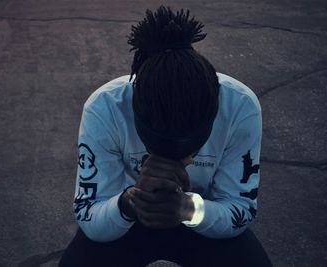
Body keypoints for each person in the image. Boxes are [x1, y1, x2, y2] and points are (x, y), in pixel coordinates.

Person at [59, 5, 272, 267]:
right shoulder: (105, 107)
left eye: (190, 145)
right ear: (135, 107)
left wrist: (188, 208)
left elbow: (239, 210)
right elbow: (89, 212)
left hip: (201, 216)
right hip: (130, 217)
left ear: (214, 108)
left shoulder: (239, 105)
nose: (181, 159)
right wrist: (130, 203)